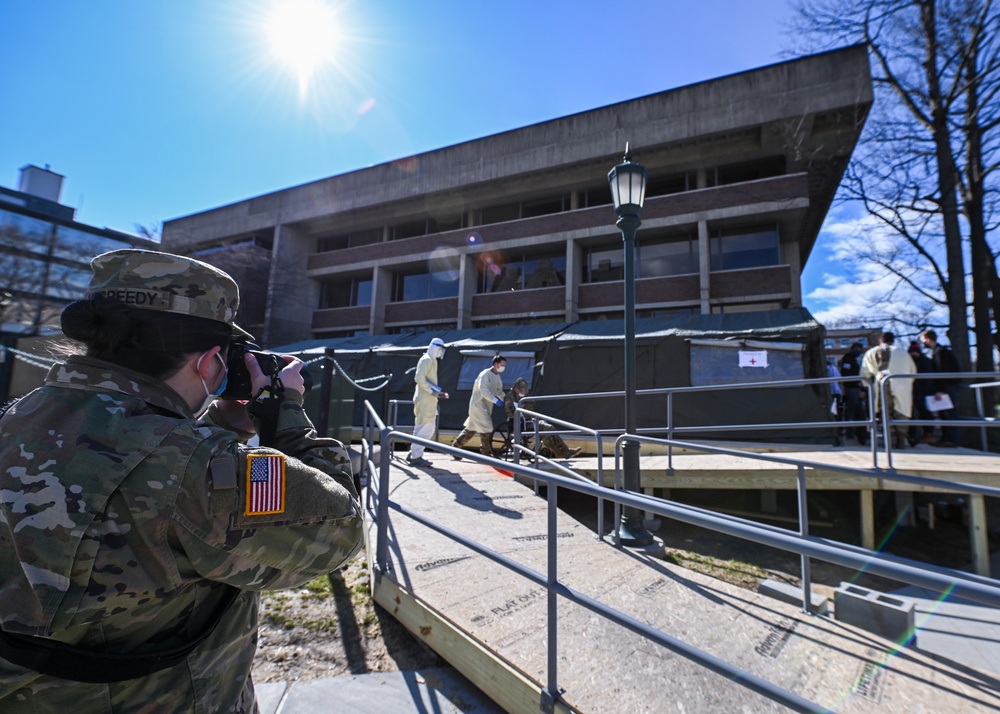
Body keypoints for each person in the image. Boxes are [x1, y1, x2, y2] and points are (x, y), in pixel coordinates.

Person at [0, 249, 363, 713]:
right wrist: (286, 417)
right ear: (212, 362)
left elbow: (139, 459)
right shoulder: (203, 468)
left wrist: (221, 430)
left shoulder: (15, 418)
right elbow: (340, 528)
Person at [860, 331, 916, 449]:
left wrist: (866, 386)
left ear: (881, 340)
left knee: (885, 413)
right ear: (893, 340)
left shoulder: (871, 352)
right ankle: (901, 439)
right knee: (902, 412)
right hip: (902, 384)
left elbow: (864, 372)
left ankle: (890, 440)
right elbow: (913, 371)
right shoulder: (902, 352)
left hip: (882, 383)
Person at [504, 377, 582, 459]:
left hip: (528, 420)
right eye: (521, 390)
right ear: (516, 388)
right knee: (548, 428)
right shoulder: (509, 397)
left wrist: (526, 408)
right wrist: (520, 410)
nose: (523, 393)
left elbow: (531, 407)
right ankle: (564, 451)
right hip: (519, 423)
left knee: (545, 430)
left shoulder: (525, 395)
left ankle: (559, 452)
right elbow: (509, 413)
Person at [451, 355, 507, 459]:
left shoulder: (497, 376)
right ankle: (485, 451)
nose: (503, 367)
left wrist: (506, 400)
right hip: (478, 406)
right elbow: (483, 390)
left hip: (485, 406)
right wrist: (495, 400)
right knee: (487, 428)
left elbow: (499, 391)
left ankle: (455, 447)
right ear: (495, 364)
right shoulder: (485, 374)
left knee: (471, 428)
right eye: (502, 365)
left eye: (504, 365)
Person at [406, 337, 449, 467]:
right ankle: (416, 457)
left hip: (429, 399)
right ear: (435, 347)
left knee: (426, 428)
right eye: (440, 349)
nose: (440, 352)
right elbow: (419, 378)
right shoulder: (426, 360)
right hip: (425, 399)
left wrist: (435, 393)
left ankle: (414, 453)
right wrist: (430, 391)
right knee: (424, 428)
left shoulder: (431, 360)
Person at [920, 329, 963, 447]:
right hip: (946, 386)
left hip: (947, 387)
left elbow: (942, 371)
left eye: (923, 340)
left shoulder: (940, 352)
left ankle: (951, 439)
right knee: (945, 413)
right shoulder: (939, 351)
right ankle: (946, 439)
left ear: (928, 339)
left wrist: (941, 390)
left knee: (949, 413)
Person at [839, 342, 869, 445]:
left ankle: (853, 431)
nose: (859, 352)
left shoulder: (854, 360)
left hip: (854, 387)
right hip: (851, 387)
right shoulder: (848, 359)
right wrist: (856, 382)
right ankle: (851, 432)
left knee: (853, 409)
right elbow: (845, 373)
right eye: (858, 349)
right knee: (854, 408)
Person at [907, 340, 935, 445]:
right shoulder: (912, 361)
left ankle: (928, 434)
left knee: (925, 413)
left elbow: (928, 378)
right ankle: (916, 434)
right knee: (915, 413)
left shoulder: (925, 361)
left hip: (924, 391)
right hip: (914, 391)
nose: (913, 354)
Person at [827, 358, 844, 446]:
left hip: (831, 392)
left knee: (834, 412)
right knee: (837, 413)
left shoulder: (829, 368)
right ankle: (839, 431)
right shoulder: (833, 368)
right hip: (836, 392)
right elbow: (840, 381)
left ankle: (837, 431)